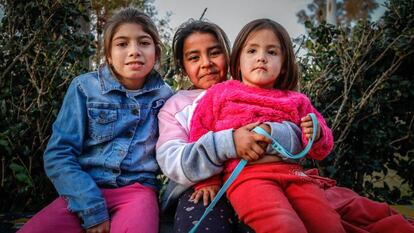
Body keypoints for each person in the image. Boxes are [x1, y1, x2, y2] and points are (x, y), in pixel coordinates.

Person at [18, 7, 172, 233]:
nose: (134, 51)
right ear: (108, 55)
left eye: (144, 43)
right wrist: (91, 208)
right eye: (122, 44)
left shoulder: (165, 96)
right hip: (83, 190)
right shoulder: (85, 88)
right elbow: (59, 153)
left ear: (156, 53)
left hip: (137, 192)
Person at [188, 18, 346, 233]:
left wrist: (317, 134)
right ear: (238, 60)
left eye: (271, 52)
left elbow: (321, 148)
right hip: (248, 177)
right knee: (283, 225)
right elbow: (199, 134)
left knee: (328, 225)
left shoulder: (296, 100)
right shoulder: (221, 93)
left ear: (283, 65)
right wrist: (207, 180)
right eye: (252, 51)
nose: (261, 57)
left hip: (294, 174)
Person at [156, 19, 303, 233]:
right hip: (200, 191)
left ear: (230, 54)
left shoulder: (254, 89)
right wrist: (229, 143)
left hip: (258, 182)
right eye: (194, 57)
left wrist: (270, 134)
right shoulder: (176, 106)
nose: (206, 63)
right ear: (183, 66)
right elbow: (172, 159)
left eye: (214, 53)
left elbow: (295, 136)